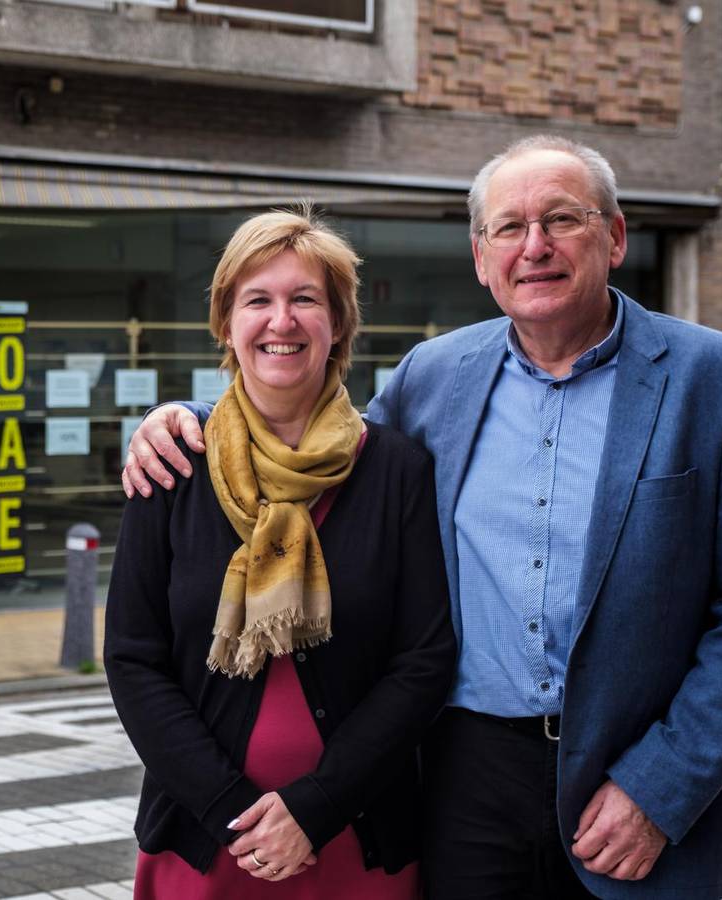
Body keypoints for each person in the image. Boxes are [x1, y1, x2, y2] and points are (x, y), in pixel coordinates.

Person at [120, 135, 722, 899]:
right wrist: (188, 420)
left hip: (634, 782)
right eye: (508, 227)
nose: (533, 247)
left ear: (615, 236)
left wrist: (663, 786)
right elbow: (313, 444)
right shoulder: (433, 378)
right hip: (464, 781)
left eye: (561, 220)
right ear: (481, 256)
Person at [104, 208, 455, 898]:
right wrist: (231, 810)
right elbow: (132, 658)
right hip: (207, 842)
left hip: (357, 835)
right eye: (257, 300)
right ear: (227, 324)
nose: (281, 321)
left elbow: (424, 661)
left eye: (305, 299)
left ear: (339, 322)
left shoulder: (397, 472)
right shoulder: (174, 462)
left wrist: (315, 807)